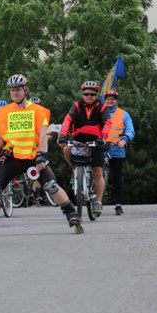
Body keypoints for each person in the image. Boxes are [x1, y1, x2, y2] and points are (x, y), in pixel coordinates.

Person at [0, 74, 83, 235]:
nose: (15, 93)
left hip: (33, 157)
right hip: (12, 157)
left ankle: (72, 214)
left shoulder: (37, 110)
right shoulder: (4, 111)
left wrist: (42, 154)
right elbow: (0, 136)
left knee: (51, 186)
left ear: (25, 90)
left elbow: (42, 134)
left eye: (18, 90)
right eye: (12, 90)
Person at [58, 81, 112, 217]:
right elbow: (67, 120)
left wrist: (103, 137)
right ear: (82, 94)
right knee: (66, 150)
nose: (89, 96)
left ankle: (98, 201)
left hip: (96, 141)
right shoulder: (76, 106)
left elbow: (107, 123)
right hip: (78, 138)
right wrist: (63, 136)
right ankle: (74, 168)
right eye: (86, 94)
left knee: (98, 171)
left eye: (92, 94)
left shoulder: (102, 107)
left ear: (96, 95)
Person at [103, 90, 135, 215]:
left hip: (117, 148)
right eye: (108, 98)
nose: (110, 101)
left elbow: (130, 130)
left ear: (117, 100)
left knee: (117, 177)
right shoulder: (100, 112)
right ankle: (95, 200)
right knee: (96, 173)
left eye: (113, 99)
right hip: (102, 147)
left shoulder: (123, 114)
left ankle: (118, 205)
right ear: (104, 100)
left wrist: (125, 139)